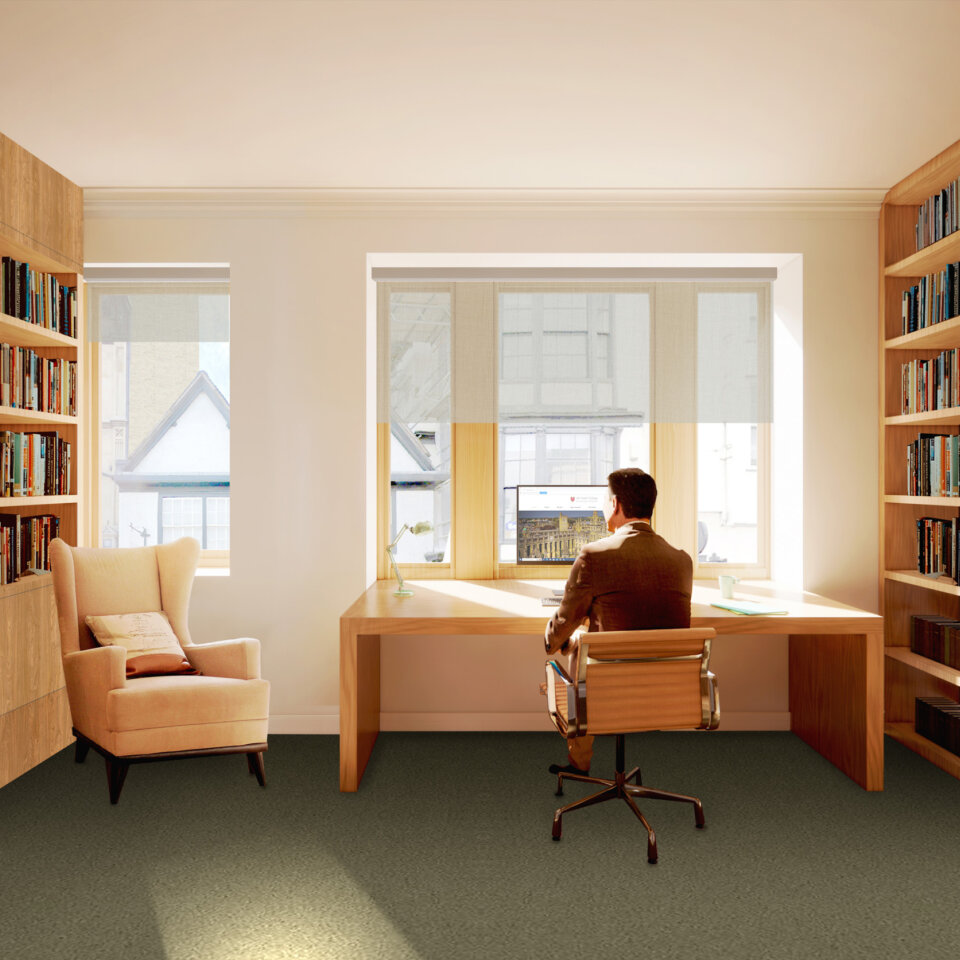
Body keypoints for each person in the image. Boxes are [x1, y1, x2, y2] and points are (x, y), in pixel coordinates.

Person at [543, 467, 692, 774]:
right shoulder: (681, 560)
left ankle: (580, 763)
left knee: (575, 650)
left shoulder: (594, 555)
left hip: (607, 695)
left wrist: (555, 642)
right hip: (664, 693)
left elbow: (561, 625)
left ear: (614, 505)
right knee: (590, 644)